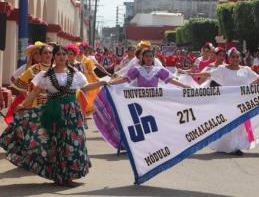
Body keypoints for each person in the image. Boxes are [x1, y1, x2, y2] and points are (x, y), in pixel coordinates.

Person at [0, 45, 107, 186]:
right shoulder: (45, 75)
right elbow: (35, 92)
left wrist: (103, 82)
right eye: (58, 54)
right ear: (54, 58)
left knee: (73, 143)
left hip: (72, 112)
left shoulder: (75, 73)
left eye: (64, 54)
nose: (62, 57)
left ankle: (69, 174)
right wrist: (23, 105)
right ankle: (60, 175)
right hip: (53, 111)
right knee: (56, 143)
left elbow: (86, 87)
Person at [192, 47, 259, 155]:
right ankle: (228, 145)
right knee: (228, 123)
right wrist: (196, 75)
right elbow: (209, 74)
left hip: (242, 103)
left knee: (239, 125)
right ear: (229, 58)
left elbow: (258, 78)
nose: (235, 59)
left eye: (237, 57)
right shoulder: (222, 69)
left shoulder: (246, 70)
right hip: (226, 102)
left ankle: (236, 146)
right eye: (233, 57)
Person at [111, 49, 190, 88]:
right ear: (143, 58)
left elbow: (170, 80)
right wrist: (110, 83)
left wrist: (184, 86)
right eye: (146, 56)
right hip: (140, 99)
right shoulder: (137, 69)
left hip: (154, 101)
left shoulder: (158, 70)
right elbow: (125, 79)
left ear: (153, 58)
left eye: (150, 56)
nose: (148, 58)